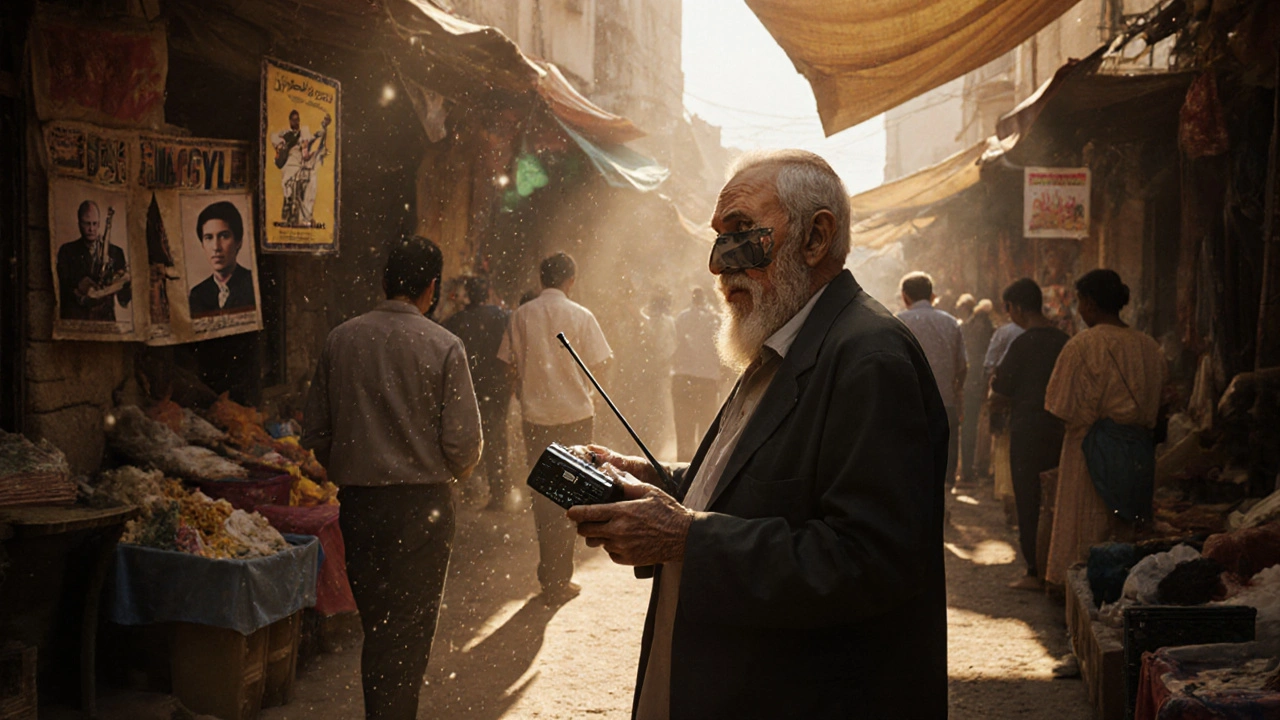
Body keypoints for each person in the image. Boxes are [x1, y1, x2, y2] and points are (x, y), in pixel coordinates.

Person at [565, 150, 948, 718]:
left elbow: (870, 561)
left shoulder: (869, 358)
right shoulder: (781, 345)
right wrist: (664, 482)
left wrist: (684, 536)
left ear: (815, 238)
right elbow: (768, 486)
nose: (719, 266)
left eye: (741, 234)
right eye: (718, 239)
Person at [302, 236, 482, 720]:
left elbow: (316, 431)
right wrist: (448, 474)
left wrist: (354, 464)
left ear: (384, 281)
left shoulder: (341, 339)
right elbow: (464, 444)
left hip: (360, 506)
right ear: (432, 287)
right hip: (423, 509)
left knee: (381, 629)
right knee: (407, 631)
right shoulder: (444, 345)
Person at [498, 251, 612, 602]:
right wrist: (587, 391)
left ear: (541, 278)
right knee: (571, 494)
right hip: (576, 417)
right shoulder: (581, 315)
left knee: (543, 496)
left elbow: (507, 364)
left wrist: (523, 391)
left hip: (536, 419)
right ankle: (560, 576)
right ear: (570, 281)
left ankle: (551, 575)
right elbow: (603, 361)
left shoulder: (521, 315)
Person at [1043, 269, 1166, 587]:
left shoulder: (1082, 345)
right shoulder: (1150, 347)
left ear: (1090, 303)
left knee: (1086, 534)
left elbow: (1059, 406)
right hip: (1137, 455)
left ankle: (1083, 593)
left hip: (1089, 454)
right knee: (1124, 533)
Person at [990, 279, 1068, 589]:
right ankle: (1056, 566)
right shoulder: (1064, 341)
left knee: (1028, 498)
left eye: (1009, 309)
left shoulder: (1022, 344)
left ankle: (1035, 570)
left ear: (1018, 308)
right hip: (1060, 430)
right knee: (1057, 499)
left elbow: (1001, 389)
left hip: (1027, 431)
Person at [443, 275, 514, 511]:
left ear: (468, 295)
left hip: (468, 385)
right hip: (496, 387)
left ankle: (470, 486)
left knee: (467, 435)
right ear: (488, 293)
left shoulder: (456, 321)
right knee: (496, 438)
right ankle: (498, 491)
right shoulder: (502, 316)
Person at [897, 271, 966, 487]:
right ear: (931, 295)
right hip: (945, 402)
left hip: (909, 405)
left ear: (905, 296)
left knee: (912, 469)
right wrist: (957, 392)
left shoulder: (897, 322)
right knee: (943, 468)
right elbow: (962, 367)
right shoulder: (951, 323)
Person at [670, 287, 722, 462]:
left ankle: (683, 469)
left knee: (684, 429)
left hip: (682, 379)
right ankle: (701, 469)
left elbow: (673, 346)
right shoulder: (715, 319)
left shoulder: (682, 318)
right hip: (708, 380)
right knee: (706, 432)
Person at [57, 200, 131, 321]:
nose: (91, 229)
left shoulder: (116, 253)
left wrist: (127, 283)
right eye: (87, 224)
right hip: (76, 320)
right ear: (79, 224)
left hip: (105, 321)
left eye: (94, 224)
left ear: (99, 224)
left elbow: (124, 299)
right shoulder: (67, 251)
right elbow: (63, 289)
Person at [188, 201, 256, 316]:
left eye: (224, 236)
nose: (216, 247)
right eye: (208, 238)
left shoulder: (253, 284)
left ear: (238, 242)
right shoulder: (197, 294)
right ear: (202, 245)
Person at [958, 295, 995, 485]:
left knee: (968, 427)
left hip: (969, 382)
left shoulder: (965, 328)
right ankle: (977, 468)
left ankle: (967, 470)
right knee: (978, 426)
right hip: (982, 383)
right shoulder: (989, 329)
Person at [271, 108, 330, 227]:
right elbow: (273, 137)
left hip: (300, 165)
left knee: (304, 190)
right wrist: (282, 145)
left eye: (297, 120)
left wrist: (323, 127)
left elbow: (314, 139)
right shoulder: (284, 134)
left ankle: (304, 216)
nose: (296, 122)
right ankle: (289, 207)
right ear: (289, 121)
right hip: (289, 164)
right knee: (289, 187)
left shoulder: (304, 133)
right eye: (293, 120)